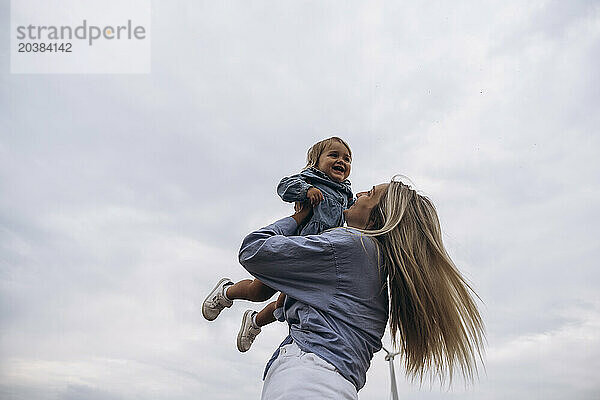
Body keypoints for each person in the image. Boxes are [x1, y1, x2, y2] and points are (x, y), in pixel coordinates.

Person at [235, 178, 485, 399]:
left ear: (376, 218)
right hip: (337, 383)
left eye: (371, 193)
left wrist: (298, 218)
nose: (360, 193)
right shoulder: (376, 272)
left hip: (307, 379)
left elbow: (253, 251)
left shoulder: (353, 246)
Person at [202, 137, 355, 352]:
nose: (341, 161)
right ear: (316, 161)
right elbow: (284, 187)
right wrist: (306, 192)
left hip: (316, 260)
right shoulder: (310, 179)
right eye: (334, 155)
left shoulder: (346, 195)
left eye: (347, 159)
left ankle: (254, 323)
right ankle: (226, 292)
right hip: (295, 250)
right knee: (259, 293)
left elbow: (354, 215)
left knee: (284, 304)